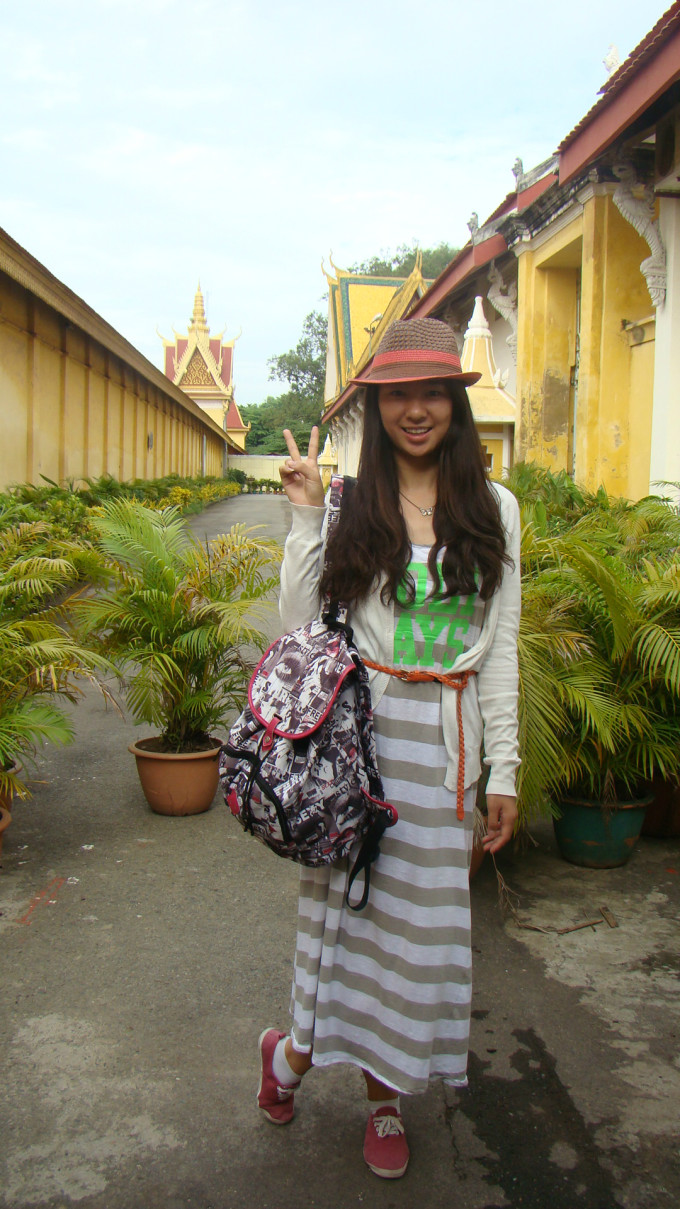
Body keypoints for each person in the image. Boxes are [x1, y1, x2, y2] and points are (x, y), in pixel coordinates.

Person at [256, 317, 521, 1180]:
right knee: (349, 932)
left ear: (455, 403)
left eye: (432, 392)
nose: (416, 409)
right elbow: (297, 627)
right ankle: (298, 1057)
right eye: (399, 393)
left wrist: (505, 768)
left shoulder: (497, 510)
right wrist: (306, 515)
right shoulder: (351, 504)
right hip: (360, 757)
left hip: (445, 762)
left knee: (413, 948)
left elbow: (500, 652)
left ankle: (379, 1095)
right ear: (377, 407)